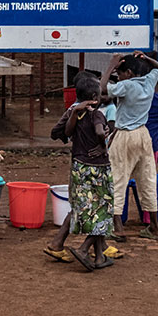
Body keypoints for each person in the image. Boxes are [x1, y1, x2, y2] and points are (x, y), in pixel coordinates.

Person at [49, 76, 115, 271]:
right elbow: (99, 132)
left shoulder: (76, 113)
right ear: (94, 97)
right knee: (103, 209)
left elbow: (67, 132)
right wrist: (104, 143)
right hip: (98, 168)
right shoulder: (97, 115)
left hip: (79, 167)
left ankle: (100, 257)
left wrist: (74, 113)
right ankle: (85, 249)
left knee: (85, 207)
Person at [101, 51, 158, 240]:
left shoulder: (126, 85)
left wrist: (111, 65)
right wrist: (146, 58)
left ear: (128, 72)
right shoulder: (149, 81)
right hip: (144, 135)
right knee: (148, 180)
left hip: (125, 136)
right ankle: (154, 226)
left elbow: (102, 89)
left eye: (119, 73)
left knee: (118, 179)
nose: (118, 77)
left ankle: (118, 227)